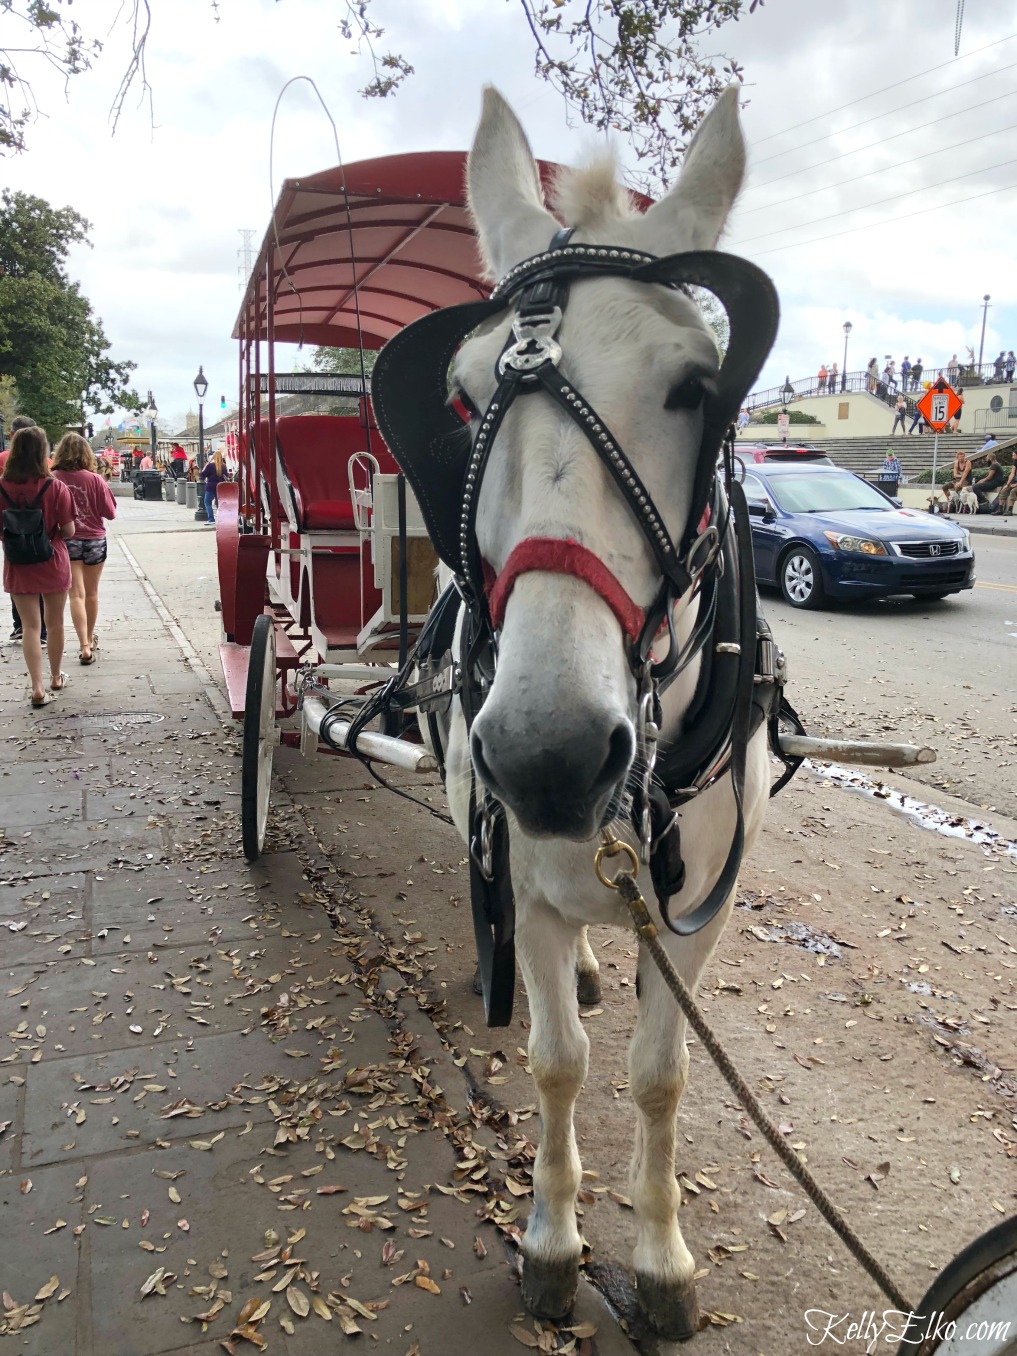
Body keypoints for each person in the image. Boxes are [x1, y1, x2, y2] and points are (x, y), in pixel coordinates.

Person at [0, 426, 74, 706]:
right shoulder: (55, 487)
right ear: (43, 452)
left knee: (30, 627)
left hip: (18, 563)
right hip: (52, 559)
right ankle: (56, 676)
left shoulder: (1, 486)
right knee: (54, 624)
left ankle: (37, 687)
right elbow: (68, 530)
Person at [51, 433, 117, 665]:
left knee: (75, 594)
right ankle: (90, 637)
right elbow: (110, 512)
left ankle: (84, 646)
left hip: (66, 540)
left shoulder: (53, 478)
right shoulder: (95, 479)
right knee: (91, 593)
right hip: (94, 539)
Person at [1, 414, 46, 645]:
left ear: (11, 436)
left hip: (12, 531)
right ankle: (43, 630)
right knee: (43, 580)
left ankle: (21, 626)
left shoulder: (2, 460)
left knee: (18, 579)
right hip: (43, 535)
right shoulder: (46, 467)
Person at [200, 449, 226, 524]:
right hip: (220, 487)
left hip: (210, 486)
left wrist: (205, 467)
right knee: (218, 503)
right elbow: (226, 477)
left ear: (213, 457)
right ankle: (221, 519)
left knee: (207, 502)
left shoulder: (210, 465)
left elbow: (202, 475)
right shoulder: (224, 466)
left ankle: (211, 519)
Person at [992, 451, 1017, 515]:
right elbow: (1012, 473)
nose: (1012, 457)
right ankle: (1000, 509)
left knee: (1013, 491)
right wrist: (1008, 484)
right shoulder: (1015, 462)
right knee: (1004, 490)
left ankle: (1010, 510)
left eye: (1013, 455)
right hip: (1014, 482)